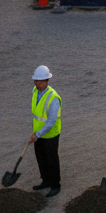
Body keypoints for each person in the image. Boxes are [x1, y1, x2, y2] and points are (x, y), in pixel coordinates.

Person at [29, 65, 61, 196]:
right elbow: (37, 115)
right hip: (38, 134)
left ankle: (55, 185)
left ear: (47, 81)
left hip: (50, 135)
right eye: (36, 80)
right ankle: (46, 181)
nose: (38, 83)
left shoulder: (53, 98)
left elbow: (51, 121)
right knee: (41, 159)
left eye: (41, 81)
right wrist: (35, 133)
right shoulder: (35, 91)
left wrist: (38, 134)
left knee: (51, 159)